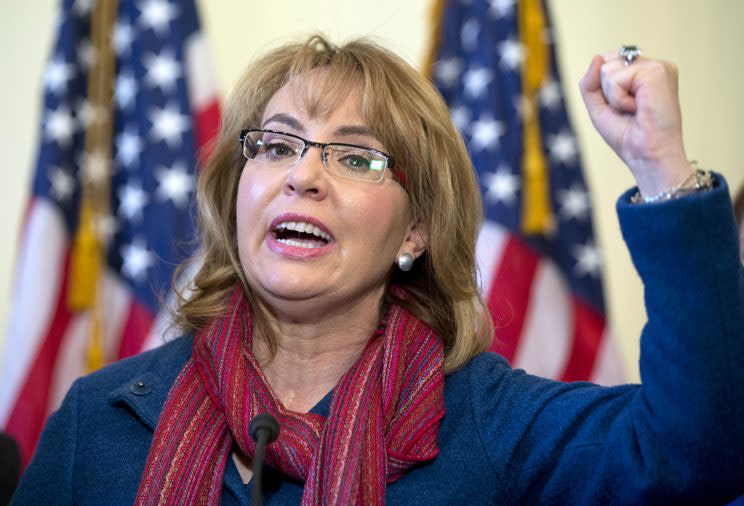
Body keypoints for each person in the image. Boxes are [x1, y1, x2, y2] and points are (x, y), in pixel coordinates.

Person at [11, 36, 744, 505]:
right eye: (276, 145)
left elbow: (698, 450)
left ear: (415, 230)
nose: (303, 175)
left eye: (356, 156)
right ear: (238, 193)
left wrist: (660, 170)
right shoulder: (99, 420)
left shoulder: (490, 422)